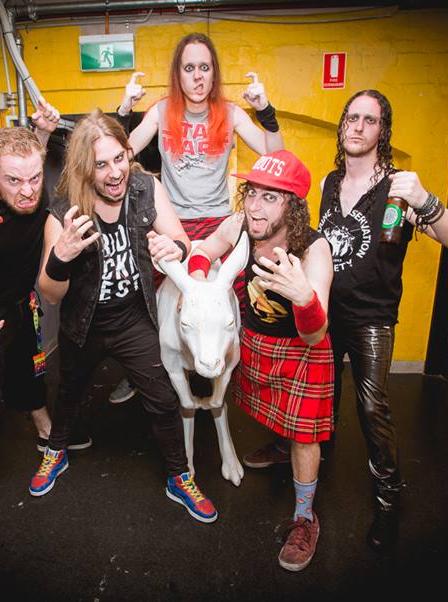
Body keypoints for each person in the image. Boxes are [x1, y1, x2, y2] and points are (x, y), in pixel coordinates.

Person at [243, 90, 448, 555]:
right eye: (351, 118)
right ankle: (300, 455)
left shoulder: (399, 188)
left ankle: (388, 498)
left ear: (382, 131)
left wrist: (426, 201)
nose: (358, 127)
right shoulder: (330, 183)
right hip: (324, 312)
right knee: (314, 402)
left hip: (371, 319)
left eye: (370, 120)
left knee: (371, 408)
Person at [27, 109, 218, 524]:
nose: (115, 172)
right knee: (68, 392)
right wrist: (61, 257)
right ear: (85, 167)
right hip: (84, 321)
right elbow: (50, 294)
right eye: (102, 165)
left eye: (120, 159)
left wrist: (175, 249)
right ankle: (56, 451)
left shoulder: (146, 188)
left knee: (163, 399)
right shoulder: (64, 212)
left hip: (133, 317)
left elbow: (181, 239)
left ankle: (179, 477)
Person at [108, 32, 285, 404]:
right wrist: (124, 109)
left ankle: (235, 373)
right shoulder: (161, 112)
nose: (198, 76)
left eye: (204, 67)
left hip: (217, 225)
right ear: (178, 73)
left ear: (213, 72)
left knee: (234, 300)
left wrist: (265, 110)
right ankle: (142, 371)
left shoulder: (231, 113)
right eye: (189, 68)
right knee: (151, 300)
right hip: (173, 224)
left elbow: (275, 154)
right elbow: (123, 152)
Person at [0, 99, 92, 540]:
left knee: (32, 370)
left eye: (35, 178)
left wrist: (42, 133)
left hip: (22, 302)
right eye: (14, 181)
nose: (29, 191)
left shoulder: (30, 175)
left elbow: (33, 155)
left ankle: (46, 430)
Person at [188, 150, 334, 570]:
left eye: (270, 197)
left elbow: (316, 333)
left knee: (306, 435)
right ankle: (282, 445)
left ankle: (304, 519)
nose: (254, 205)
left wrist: (302, 297)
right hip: (258, 342)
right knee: (278, 419)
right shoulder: (238, 226)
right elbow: (202, 252)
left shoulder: (313, 249)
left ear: (293, 206)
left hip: (303, 349)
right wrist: (196, 287)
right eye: (252, 192)